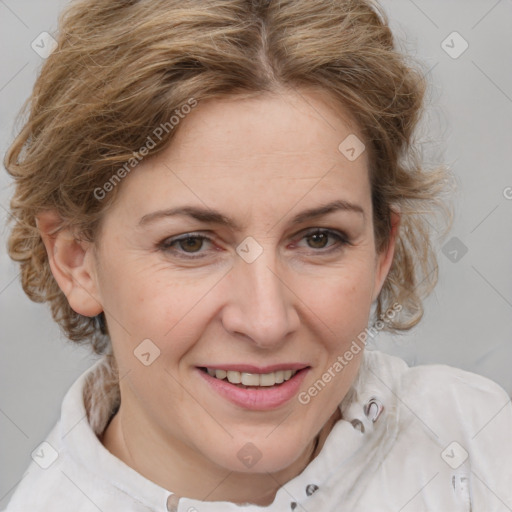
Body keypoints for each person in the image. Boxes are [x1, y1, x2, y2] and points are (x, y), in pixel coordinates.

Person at [3, 0, 512, 510]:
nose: (266, 322)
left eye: (319, 238)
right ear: (77, 262)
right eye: (191, 244)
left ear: (382, 252)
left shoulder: (477, 443)